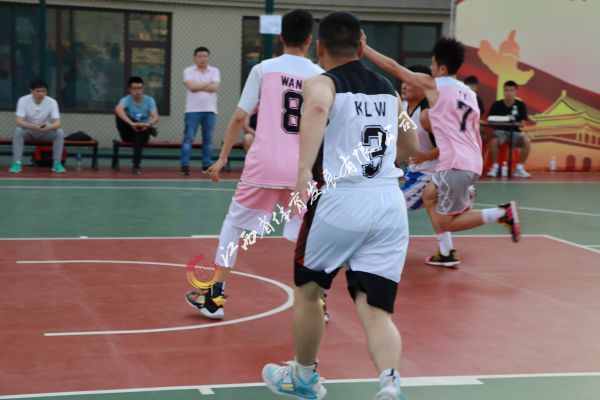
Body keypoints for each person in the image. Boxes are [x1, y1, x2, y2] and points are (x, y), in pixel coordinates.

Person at [262, 12, 419, 400]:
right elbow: (411, 145)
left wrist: (303, 170)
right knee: (375, 309)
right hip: (388, 203)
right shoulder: (389, 91)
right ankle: (390, 384)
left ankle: (304, 377)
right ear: (361, 48)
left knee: (308, 291)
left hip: (339, 198)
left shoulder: (322, 82)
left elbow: (317, 108)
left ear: (319, 48)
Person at [184, 9, 323, 319]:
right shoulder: (320, 75)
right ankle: (318, 302)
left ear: (281, 37)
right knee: (307, 233)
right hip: (301, 169)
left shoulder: (264, 69)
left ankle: (214, 298)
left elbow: (238, 117)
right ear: (310, 40)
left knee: (234, 226)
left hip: (264, 166)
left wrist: (222, 158)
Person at [362, 36, 522, 244]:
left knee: (446, 223)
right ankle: (447, 248)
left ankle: (501, 213)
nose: (430, 68)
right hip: (472, 162)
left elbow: (395, 68)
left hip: (454, 164)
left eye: (433, 64)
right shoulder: (469, 94)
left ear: (442, 68)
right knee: (429, 196)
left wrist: (365, 48)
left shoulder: (435, 86)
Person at [400, 65, 460, 267]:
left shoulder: (427, 115)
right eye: (403, 80)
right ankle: (447, 251)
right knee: (432, 208)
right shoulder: (402, 107)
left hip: (430, 175)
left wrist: (426, 155)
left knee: (393, 206)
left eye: (410, 81)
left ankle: (377, 248)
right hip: (414, 174)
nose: (404, 85)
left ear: (421, 87)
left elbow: (450, 144)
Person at [9, 80, 65, 173]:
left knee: (60, 132)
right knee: (18, 131)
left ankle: (57, 163)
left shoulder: (52, 102)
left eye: (43, 91)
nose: (41, 94)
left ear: (46, 92)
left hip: (44, 132)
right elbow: (19, 121)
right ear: (31, 91)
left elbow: (58, 123)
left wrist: (49, 127)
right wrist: (33, 126)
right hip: (29, 131)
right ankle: (16, 163)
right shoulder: (23, 100)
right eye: (38, 91)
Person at [180, 46, 220, 175]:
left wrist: (198, 85)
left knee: (208, 140)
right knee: (188, 139)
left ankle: (206, 165)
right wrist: (207, 83)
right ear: (195, 57)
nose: (202, 59)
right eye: (200, 56)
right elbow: (191, 87)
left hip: (210, 110)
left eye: (205, 56)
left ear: (208, 58)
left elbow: (215, 87)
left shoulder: (214, 71)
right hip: (192, 111)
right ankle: (185, 165)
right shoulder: (188, 70)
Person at [486, 80, 531, 178]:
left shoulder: (520, 105)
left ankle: (519, 168)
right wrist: (504, 120)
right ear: (503, 91)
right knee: (493, 142)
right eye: (506, 90)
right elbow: (489, 120)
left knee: (527, 141)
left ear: (515, 92)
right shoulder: (496, 104)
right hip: (499, 132)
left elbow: (523, 124)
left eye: (511, 90)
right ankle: (495, 167)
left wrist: (515, 122)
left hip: (515, 132)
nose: (509, 93)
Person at [115, 76, 159, 175]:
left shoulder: (149, 100)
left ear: (143, 89)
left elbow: (156, 117)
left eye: (139, 88)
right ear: (130, 90)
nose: (137, 91)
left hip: (143, 132)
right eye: (134, 89)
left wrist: (148, 124)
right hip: (128, 132)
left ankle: (136, 165)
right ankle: (149, 129)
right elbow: (118, 109)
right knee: (119, 115)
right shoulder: (126, 99)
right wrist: (132, 123)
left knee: (139, 131)